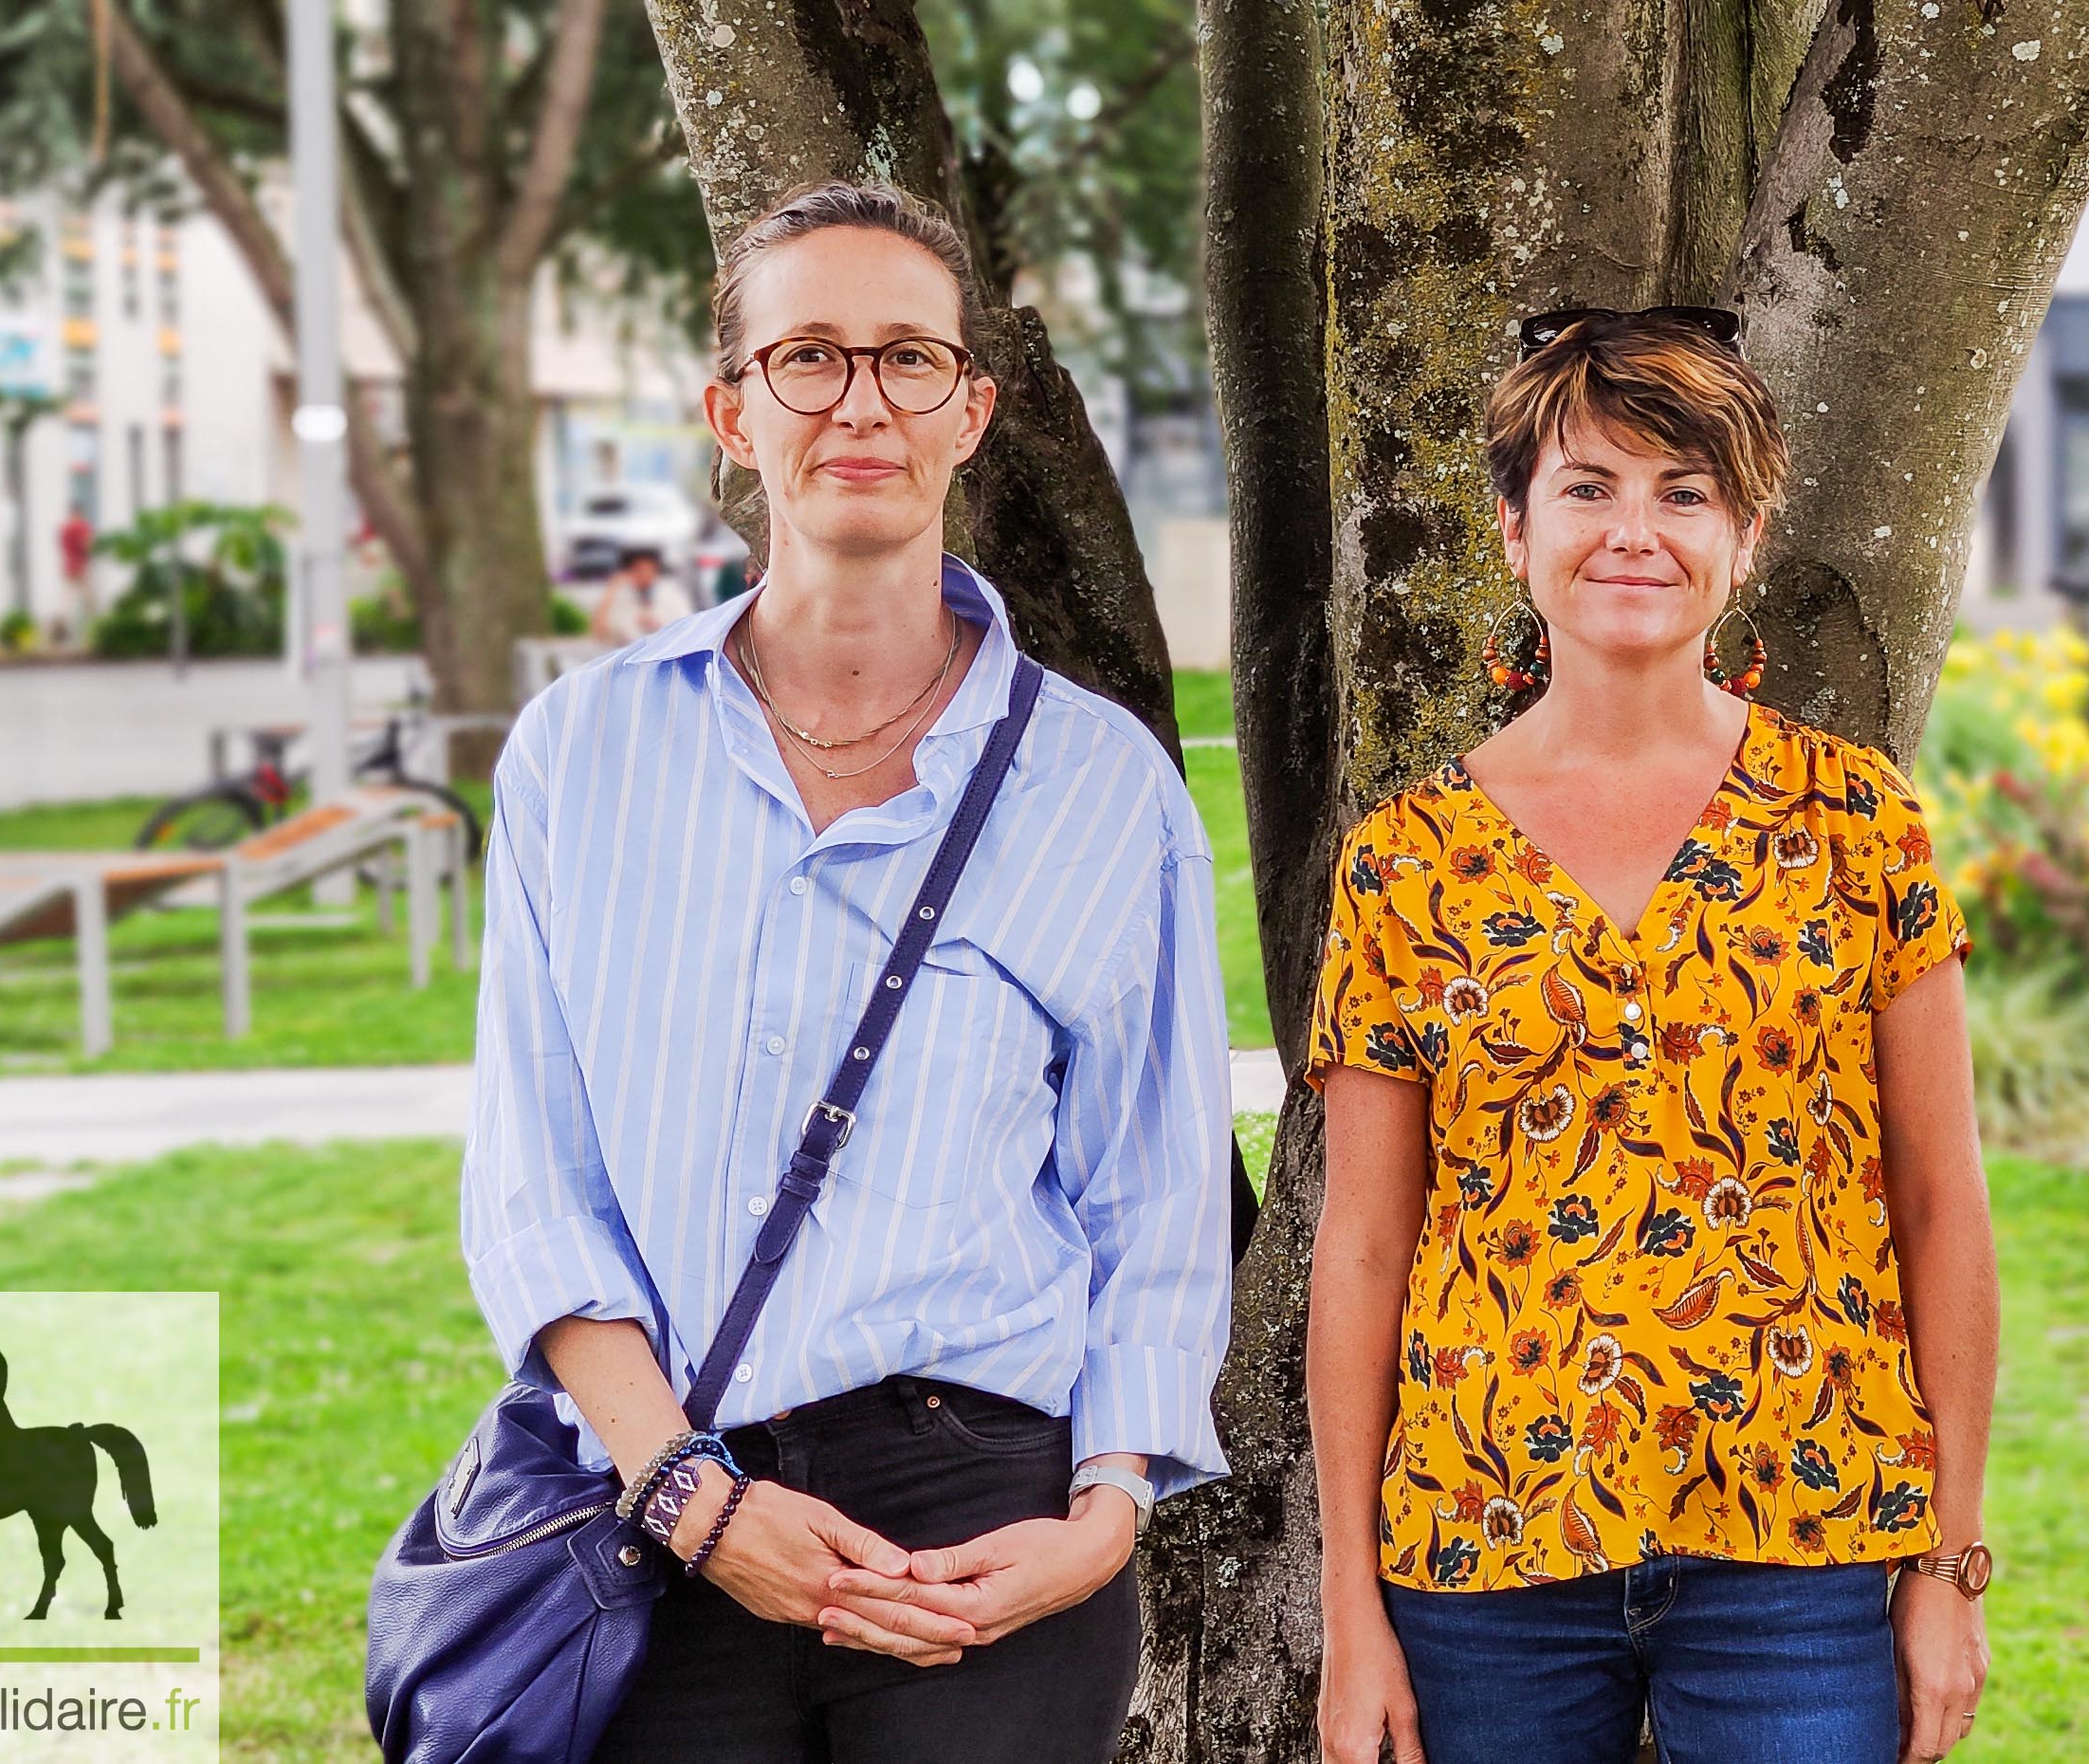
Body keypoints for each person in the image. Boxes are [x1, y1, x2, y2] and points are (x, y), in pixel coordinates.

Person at [457, 179, 1232, 1764]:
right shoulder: (582, 754)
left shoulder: (1103, 789)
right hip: (660, 1494)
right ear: (733, 411)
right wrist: (684, 1490)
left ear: (973, 410)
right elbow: (533, 1176)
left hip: (984, 1525)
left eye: (908, 360)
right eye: (809, 357)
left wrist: (1104, 1517)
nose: (861, 400)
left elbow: (1152, 1196)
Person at [1305, 306, 1999, 1764]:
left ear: (1744, 540)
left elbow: (1941, 1202)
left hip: (1803, 1540)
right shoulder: (1406, 860)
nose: (1638, 530)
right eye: (1588, 487)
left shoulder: (1853, 820)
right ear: (1513, 530)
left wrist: (1948, 1564)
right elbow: (1365, 1246)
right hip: (1486, 1546)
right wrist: (1351, 1603)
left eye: (1685, 493)